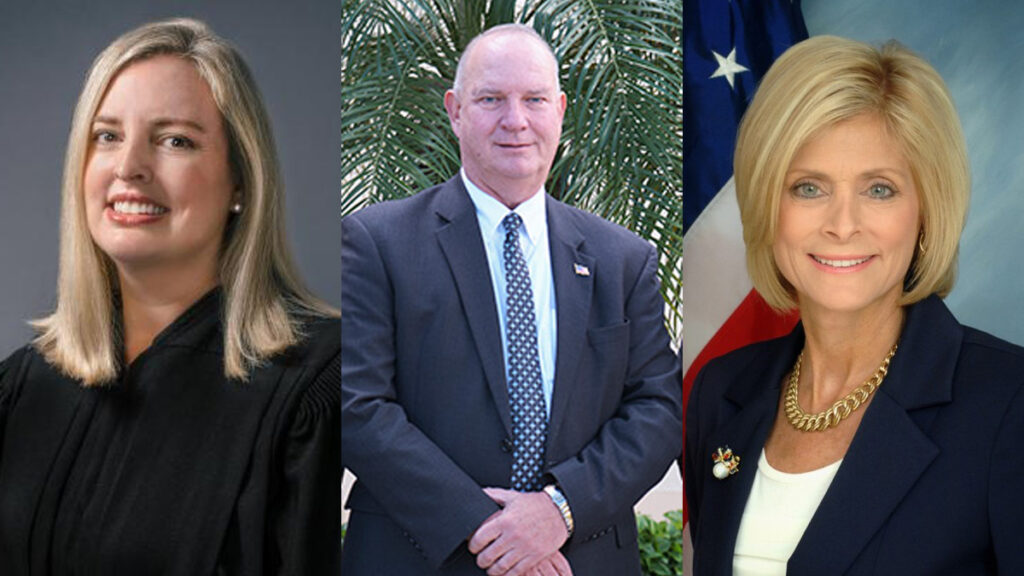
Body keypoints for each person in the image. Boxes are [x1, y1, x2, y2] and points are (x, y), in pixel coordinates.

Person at [0, 18, 340, 574]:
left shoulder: (316, 388)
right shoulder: (24, 388)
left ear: (241, 182)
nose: (129, 168)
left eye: (174, 140)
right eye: (107, 136)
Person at [342, 23, 682, 576]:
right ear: (454, 111)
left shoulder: (623, 258)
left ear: (561, 109)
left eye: (534, 100)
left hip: (580, 557)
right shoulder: (375, 243)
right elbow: (356, 406)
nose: (515, 120)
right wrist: (492, 530)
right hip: (421, 555)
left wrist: (558, 511)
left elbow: (658, 410)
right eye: (491, 99)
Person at [684, 34, 1024, 574]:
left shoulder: (1009, 404)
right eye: (808, 188)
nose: (842, 225)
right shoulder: (721, 393)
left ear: (927, 211)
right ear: (767, 205)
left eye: (880, 189)